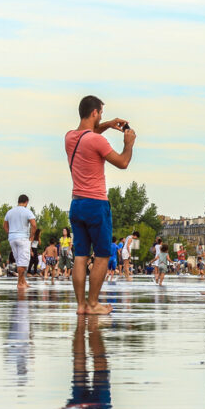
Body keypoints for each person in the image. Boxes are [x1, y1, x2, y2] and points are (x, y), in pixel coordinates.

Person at [66, 95, 134, 315]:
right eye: (101, 113)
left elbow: (88, 135)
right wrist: (128, 144)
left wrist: (107, 123)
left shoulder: (69, 138)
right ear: (94, 112)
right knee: (103, 254)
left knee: (80, 255)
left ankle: (80, 306)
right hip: (96, 203)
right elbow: (123, 163)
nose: (101, 117)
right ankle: (93, 304)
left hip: (76, 203)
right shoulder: (97, 141)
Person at [4, 194, 37, 290]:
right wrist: (31, 236)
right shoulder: (27, 211)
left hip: (12, 238)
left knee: (18, 260)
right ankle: (19, 283)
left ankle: (23, 281)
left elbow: (5, 226)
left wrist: (10, 233)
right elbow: (34, 225)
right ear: (26, 202)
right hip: (23, 238)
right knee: (23, 261)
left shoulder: (9, 212)